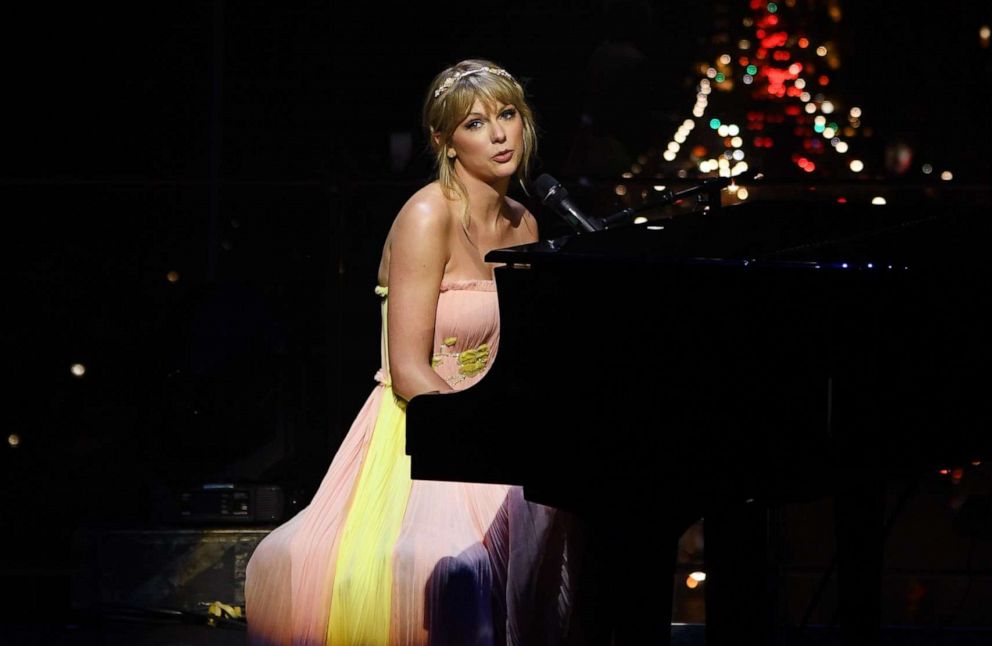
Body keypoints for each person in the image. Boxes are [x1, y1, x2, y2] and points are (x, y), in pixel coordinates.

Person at [245, 59, 575, 646]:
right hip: (427, 429)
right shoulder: (427, 214)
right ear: (444, 142)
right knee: (457, 568)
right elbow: (408, 370)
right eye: (475, 124)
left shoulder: (525, 223)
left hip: (497, 430)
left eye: (507, 116)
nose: (499, 135)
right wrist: (485, 441)